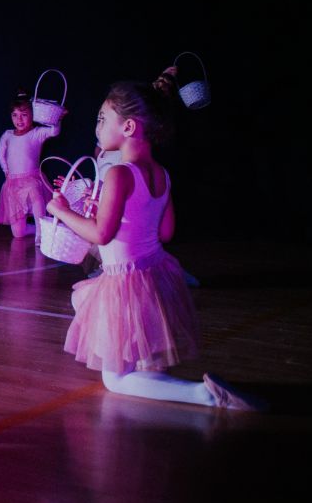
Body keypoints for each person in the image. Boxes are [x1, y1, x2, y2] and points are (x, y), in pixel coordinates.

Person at [47, 82, 259, 410]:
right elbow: (167, 230)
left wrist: (61, 211)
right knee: (93, 310)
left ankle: (203, 396)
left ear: (128, 126)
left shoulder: (118, 173)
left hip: (124, 280)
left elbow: (101, 235)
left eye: (103, 119)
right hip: (153, 274)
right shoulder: (162, 173)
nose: (97, 126)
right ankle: (159, 374)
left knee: (113, 380)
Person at [0, 94, 61, 238]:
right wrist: (5, 170)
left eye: (24, 115)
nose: (19, 119)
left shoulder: (36, 133)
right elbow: (0, 153)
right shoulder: (7, 134)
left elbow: (53, 131)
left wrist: (57, 120)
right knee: (18, 234)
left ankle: (41, 231)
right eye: (15, 115)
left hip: (32, 178)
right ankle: (35, 229)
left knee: (35, 194)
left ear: (33, 115)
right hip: (13, 182)